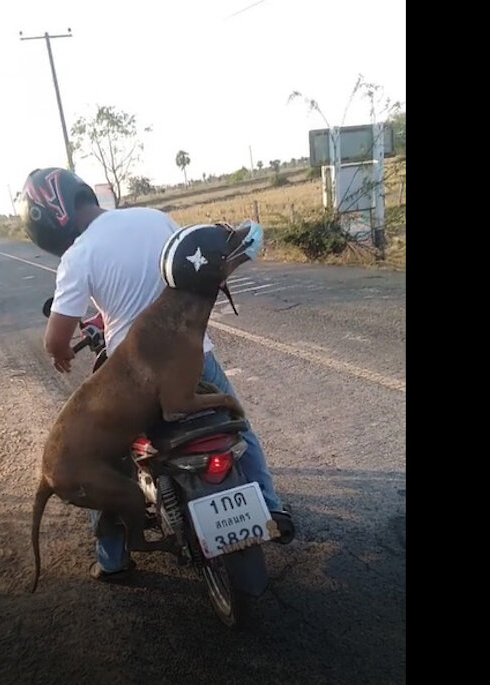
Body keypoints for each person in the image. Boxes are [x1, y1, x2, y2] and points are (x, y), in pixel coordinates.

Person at [19, 167, 295, 581]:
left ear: (51, 222)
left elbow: (56, 338)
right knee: (239, 426)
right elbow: (187, 268)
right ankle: (270, 504)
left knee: (109, 459)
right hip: (192, 356)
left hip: (132, 375)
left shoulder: (79, 256)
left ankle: (113, 557)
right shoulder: (153, 218)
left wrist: (61, 354)